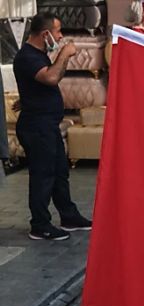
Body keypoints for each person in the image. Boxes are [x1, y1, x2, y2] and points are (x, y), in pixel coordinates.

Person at [13, 12, 92, 241]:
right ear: (46, 34)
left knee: (59, 173)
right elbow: (50, 78)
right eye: (58, 31)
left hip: (47, 124)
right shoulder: (27, 56)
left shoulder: (39, 55)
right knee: (43, 175)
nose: (61, 36)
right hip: (36, 127)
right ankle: (39, 224)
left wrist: (61, 58)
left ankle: (69, 215)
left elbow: (41, 82)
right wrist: (64, 53)